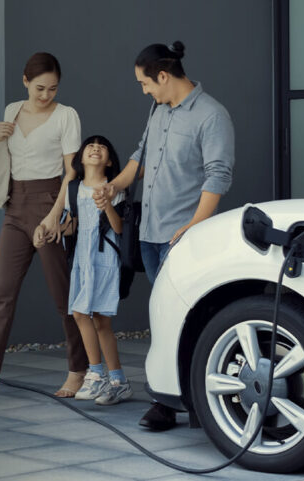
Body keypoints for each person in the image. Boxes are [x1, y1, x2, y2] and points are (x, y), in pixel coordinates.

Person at [94, 41, 235, 429]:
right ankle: (172, 398)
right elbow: (141, 155)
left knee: (189, 319)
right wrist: (115, 187)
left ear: (162, 75)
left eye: (145, 83)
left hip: (184, 238)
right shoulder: (159, 109)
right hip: (150, 235)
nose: (144, 91)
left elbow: (218, 174)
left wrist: (194, 226)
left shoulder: (212, 115)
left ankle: (180, 403)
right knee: (165, 318)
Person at [0, 52, 88, 400]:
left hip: (49, 203)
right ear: (25, 82)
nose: (46, 96)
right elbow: (9, 161)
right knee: (2, 296)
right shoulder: (11, 111)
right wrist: (0, 139)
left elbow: (71, 173)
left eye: (53, 89)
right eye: (40, 88)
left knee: (63, 298)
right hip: (15, 208)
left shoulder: (66, 116)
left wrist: (54, 217)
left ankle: (79, 370)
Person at [61, 136, 132, 406]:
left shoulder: (114, 189)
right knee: (80, 313)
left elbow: (119, 229)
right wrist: (58, 227)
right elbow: (72, 224)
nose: (95, 148)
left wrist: (108, 207)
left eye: (102, 146)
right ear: (81, 157)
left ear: (110, 160)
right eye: (90, 145)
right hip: (82, 258)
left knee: (101, 320)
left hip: (105, 258)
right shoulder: (73, 188)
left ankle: (114, 379)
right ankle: (101, 374)